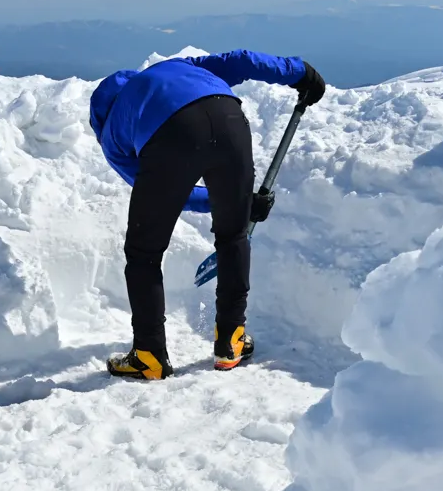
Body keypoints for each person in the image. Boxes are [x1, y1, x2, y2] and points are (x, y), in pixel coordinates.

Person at [89, 50, 325, 380]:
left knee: (144, 253)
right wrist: (298, 71)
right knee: (234, 236)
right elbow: (242, 61)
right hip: (229, 120)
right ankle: (231, 341)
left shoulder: (112, 133)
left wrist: (218, 201)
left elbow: (169, 193)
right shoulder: (177, 67)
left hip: (170, 137)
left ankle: (149, 356)